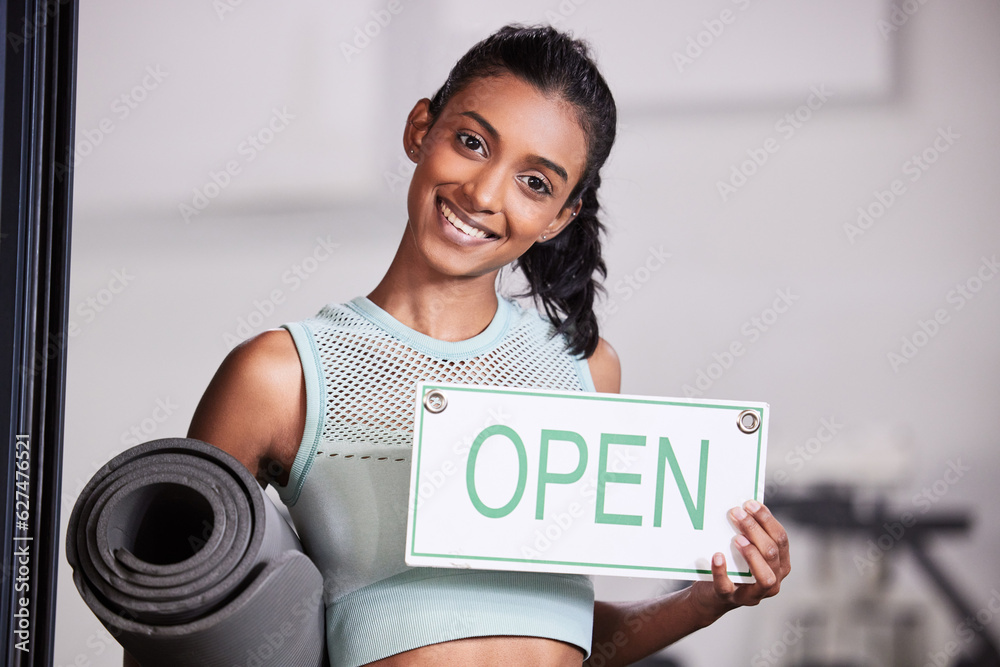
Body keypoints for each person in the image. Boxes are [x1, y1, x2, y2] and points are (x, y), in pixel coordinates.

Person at [145, 24, 790, 667]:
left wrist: (706, 600)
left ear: (562, 214)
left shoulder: (586, 370)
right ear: (420, 128)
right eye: (473, 142)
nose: (483, 195)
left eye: (535, 182)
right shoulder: (280, 377)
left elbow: (559, 633)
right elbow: (166, 627)